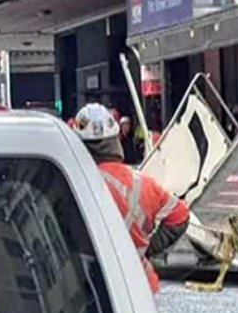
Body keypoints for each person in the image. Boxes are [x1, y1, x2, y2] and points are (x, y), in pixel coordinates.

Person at [72, 103, 190, 293]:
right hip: (140, 286)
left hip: (93, 289)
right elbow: (180, 216)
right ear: (115, 140)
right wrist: (149, 248)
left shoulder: (73, 184)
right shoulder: (143, 183)